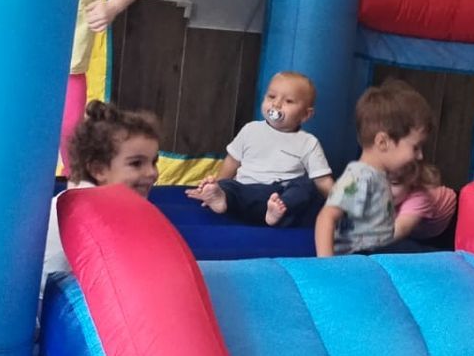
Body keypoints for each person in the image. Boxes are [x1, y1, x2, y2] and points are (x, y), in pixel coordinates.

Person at [188, 72, 334, 227]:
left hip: (278, 196)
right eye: (271, 97)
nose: (276, 104)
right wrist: (217, 186)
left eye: (288, 101)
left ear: (305, 114)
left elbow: (322, 180)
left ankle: (276, 213)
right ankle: (221, 198)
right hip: (244, 191)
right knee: (229, 186)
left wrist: (342, 204)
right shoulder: (250, 130)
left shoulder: (308, 142)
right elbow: (232, 162)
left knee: (306, 185)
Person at [43, 102, 161, 281]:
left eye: (154, 162)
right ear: (98, 170)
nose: (152, 172)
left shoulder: (91, 200)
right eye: (136, 163)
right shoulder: (90, 211)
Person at [59, 0, 146, 169]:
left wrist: (112, 6)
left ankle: (75, 181)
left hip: (71, 67)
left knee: (71, 134)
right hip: (26, 62)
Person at [315, 81, 431, 257]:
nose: (420, 156)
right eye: (415, 147)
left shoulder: (378, 175)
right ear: (383, 142)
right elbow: (326, 218)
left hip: (377, 251)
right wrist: (327, 266)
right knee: (417, 253)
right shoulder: (360, 176)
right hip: (359, 254)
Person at [389, 160, 458, 245]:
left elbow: (400, 229)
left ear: (412, 182)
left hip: (453, 216)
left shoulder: (418, 199)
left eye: (394, 183)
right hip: (423, 227)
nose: (384, 189)